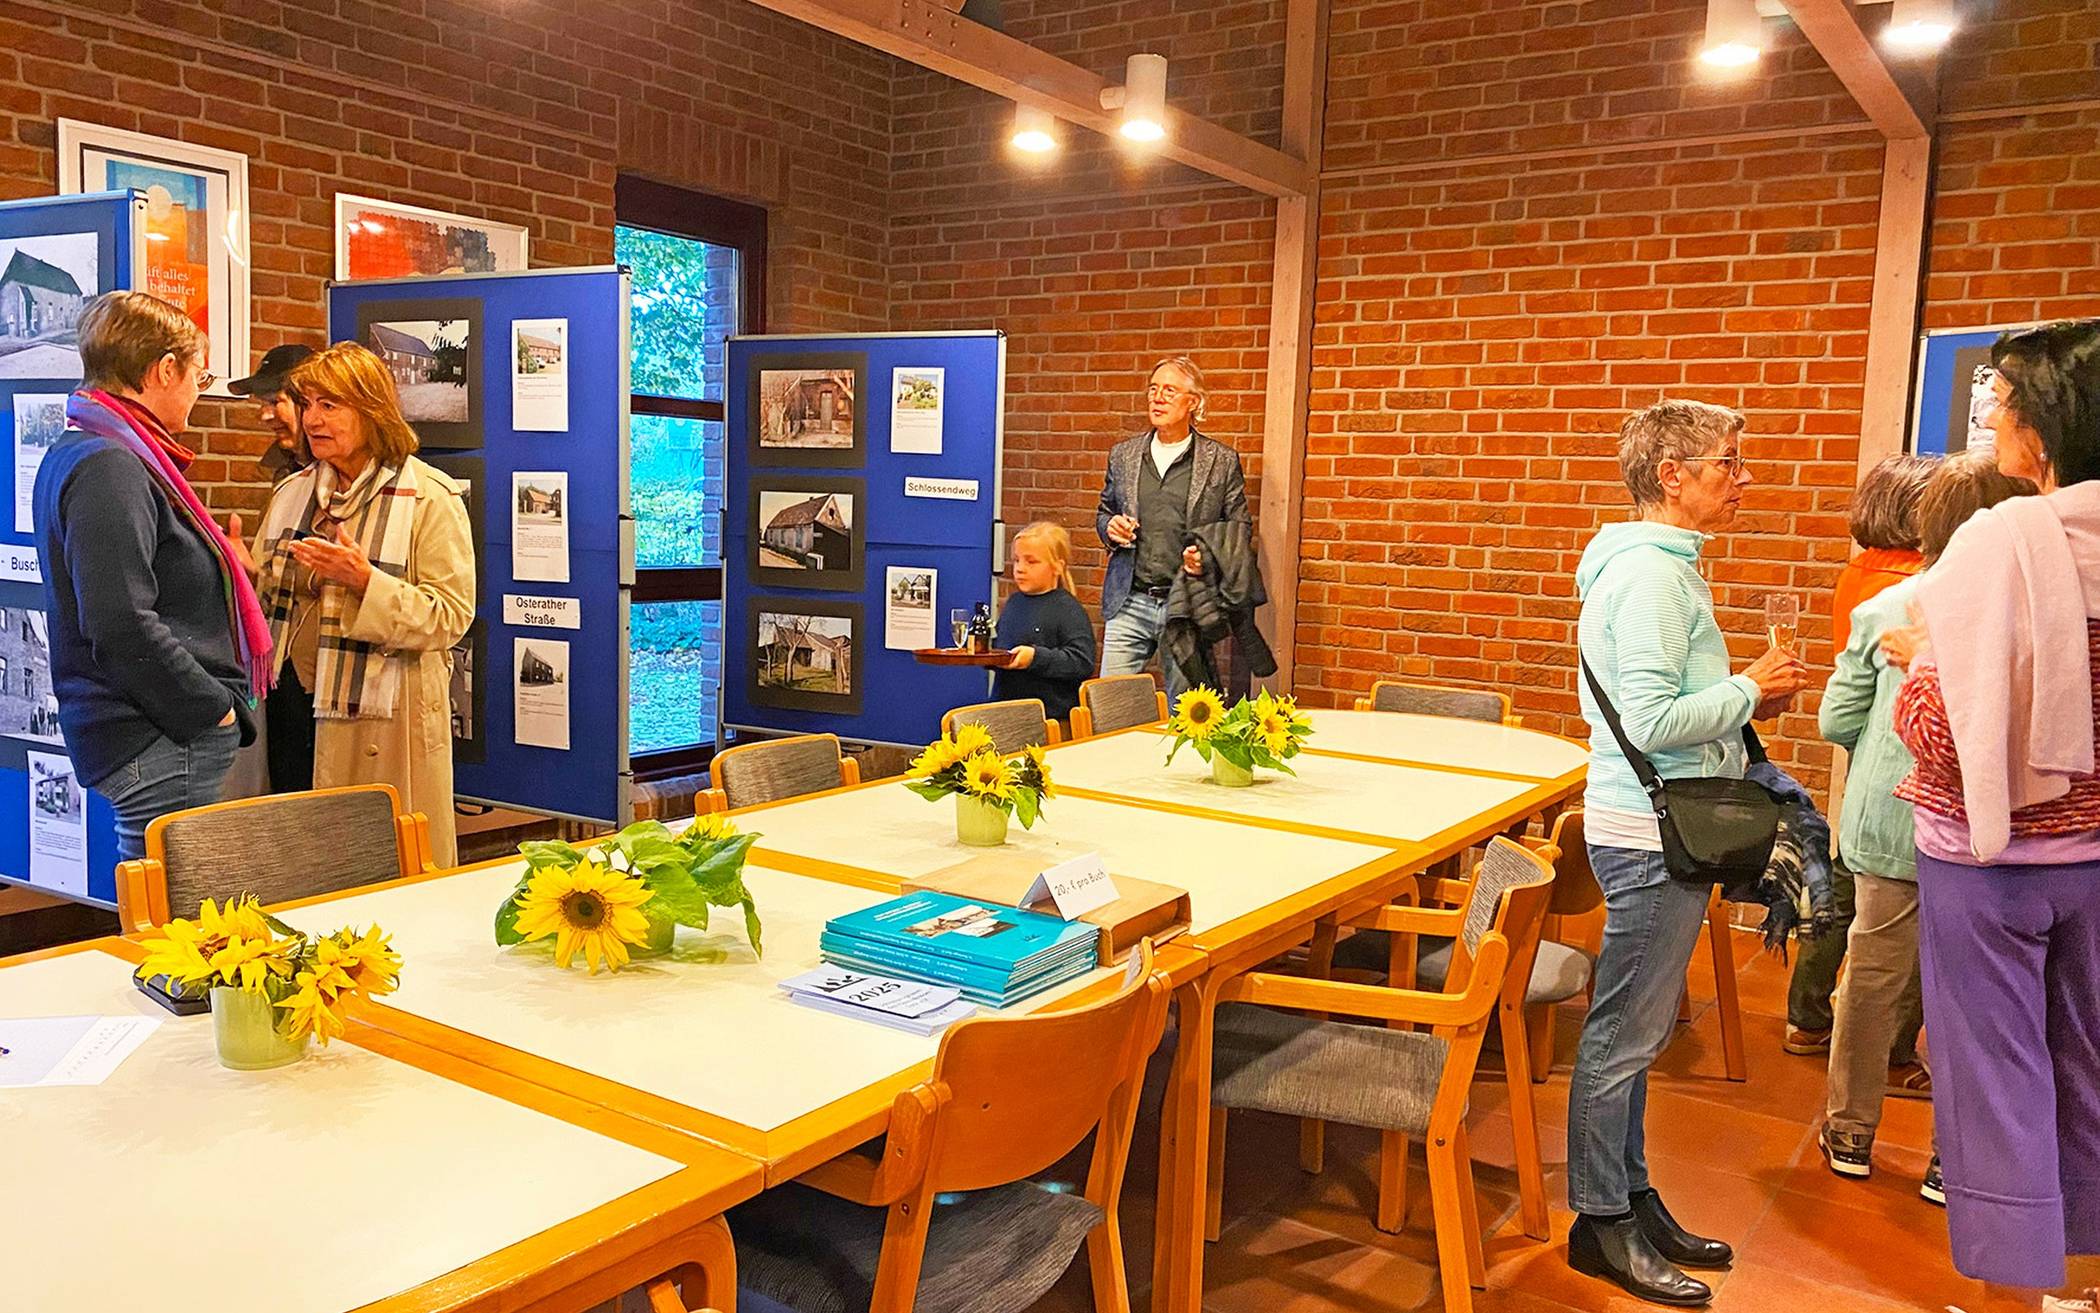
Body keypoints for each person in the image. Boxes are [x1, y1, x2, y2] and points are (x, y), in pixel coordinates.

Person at [1566, 399, 1810, 1306]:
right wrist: (1749, 686)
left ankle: (1631, 1196)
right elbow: (1652, 720)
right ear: (1671, 476)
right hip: (1645, 832)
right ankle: (1599, 1222)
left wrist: (1745, 695)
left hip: (1652, 822)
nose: (1742, 479)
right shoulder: (1652, 577)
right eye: (1729, 464)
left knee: (1638, 1034)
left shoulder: (1663, 566)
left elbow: (1669, 705)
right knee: (1621, 1040)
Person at [1892, 319, 2100, 1311]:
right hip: (2097, 861)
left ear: (2043, 426)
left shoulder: (2001, 540)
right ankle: (2086, 1287)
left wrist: (1911, 672)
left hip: (1987, 862)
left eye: (2000, 401)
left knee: (1996, 1080)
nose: (1992, 419)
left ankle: (2007, 1302)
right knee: (2090, 1068)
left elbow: (1947, 729)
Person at [1817, 450, 2034, 1205]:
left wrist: (1877, 743)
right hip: (1984, 828)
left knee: (1871, 975)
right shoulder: (2026, 620)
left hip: (1886, 820)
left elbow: (1835, 717)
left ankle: (1848, 1129)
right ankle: (1951, 1158)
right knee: (1968, 994)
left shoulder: (1888, 610)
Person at [31, 291, 272, 861]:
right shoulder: (110, 463)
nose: (197, 392)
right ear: (164, 369)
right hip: (158, 733)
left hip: (151, 729)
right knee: (174, 927)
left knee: (161, 910)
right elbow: (119, 622)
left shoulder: (89, 447)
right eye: (198, 375)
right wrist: (209, 709)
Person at [241, 342, 475, 867]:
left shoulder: (428, 498)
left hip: (380, 719)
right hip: (293, 708)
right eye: (307, 404)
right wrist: (245, 575)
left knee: (378, 872)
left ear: (371, 410)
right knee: (302, 865)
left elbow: (451, 616)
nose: (313, 419)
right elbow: (272, 597)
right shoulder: (293, 493)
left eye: (331, 405)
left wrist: (365, 581)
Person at [1785, 452, 1937, 1066]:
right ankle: (1888, 1054)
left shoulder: (1861, 574)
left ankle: (1807, 1016)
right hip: (1904, 767)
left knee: (1844, 889)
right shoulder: (1905, 588)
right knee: (1878, 918)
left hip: (1867, 754)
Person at [1096, 357, 1249, 701]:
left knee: (1190, 712)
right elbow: (1104, 512)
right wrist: (1111, 528)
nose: (1158, 398)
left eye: (1169, 390)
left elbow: (1238, 530)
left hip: (1185, 604)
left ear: (1193, 402)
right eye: (1153, 389)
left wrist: (1208, 557)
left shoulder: (1220, 460)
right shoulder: (1124, 455)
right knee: (1111, 706)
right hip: (1129, 600)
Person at [227, 343, 318, 793]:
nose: (265, 415)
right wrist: (255, 574)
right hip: (281, 676)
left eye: (274, 401)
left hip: (326, 685)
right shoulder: (285, 473)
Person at [991, 521, 1095, 725]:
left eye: (1031, 562)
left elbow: (1082, 662)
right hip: (1006, 712)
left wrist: (1035, 658)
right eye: (1017, 560)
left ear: (1057, 567)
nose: (1020, 569)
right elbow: (1000, 648)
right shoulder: (1013, 603)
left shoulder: (1068, 609)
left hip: (1051, 719)